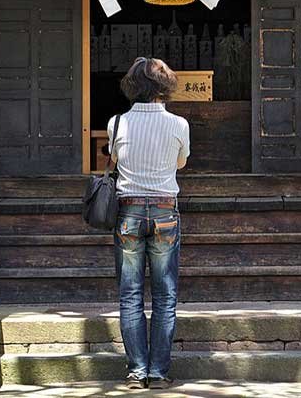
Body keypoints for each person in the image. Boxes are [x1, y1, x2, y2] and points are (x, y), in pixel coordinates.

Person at [107, 57, 190, 390]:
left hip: (127, 212)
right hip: (165, 211)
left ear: (133, 87)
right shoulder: (179, 124)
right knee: (165, 295)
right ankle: (157, 371)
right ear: (164, 87)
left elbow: (114, 159)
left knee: (130, 295)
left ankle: (136, 371)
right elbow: (181, 163)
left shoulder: (117, 123)